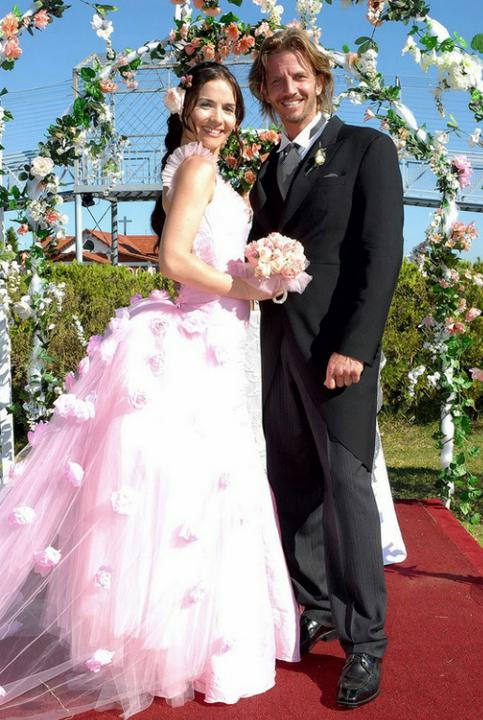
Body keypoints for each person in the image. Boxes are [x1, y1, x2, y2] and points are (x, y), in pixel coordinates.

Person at [0, 62, 299, 720]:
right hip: (203, 335)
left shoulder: (197, 166)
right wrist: (249, 287)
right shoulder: (197, 167)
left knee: (202, 485)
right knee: (201, 486)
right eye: (209, 104)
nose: (220, 117)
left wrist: (261, 269)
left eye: (230, 108)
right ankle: (182, 646)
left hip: (223, 338)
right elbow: (173, 259)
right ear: (186, 108)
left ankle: (177, 640)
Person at [248, 28, 404, 708]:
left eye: (298, 76)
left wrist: (356, 347)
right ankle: (313, 606)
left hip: (336, 353)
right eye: (275, 80)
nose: (289, 89)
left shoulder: (365, 148)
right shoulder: (265, 167)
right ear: (263, 92)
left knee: (346, 488)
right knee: (293, 482)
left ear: (319, 79)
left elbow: (381, 254)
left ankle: (365, 640)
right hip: (276, 349)